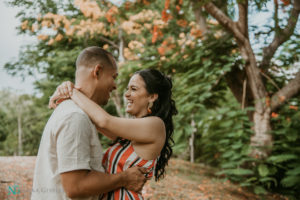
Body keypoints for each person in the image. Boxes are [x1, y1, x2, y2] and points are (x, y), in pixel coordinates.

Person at [31, 46, 147, 200]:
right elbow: (76, 186)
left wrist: (72, 91)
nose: (115, 85)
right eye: (113, 76)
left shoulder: (77, 112)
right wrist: (124, 178)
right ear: (97, 72)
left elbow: (110, 127)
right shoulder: (75, 117)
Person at [49, 68, 178, 199]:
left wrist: (71, 91)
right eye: (127, 89)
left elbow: (104, 121)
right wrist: (66, 87)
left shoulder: (155, 125)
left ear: (152, 96)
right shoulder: (131, 133)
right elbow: (96, 121)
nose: (126, 94)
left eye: (133, 89)